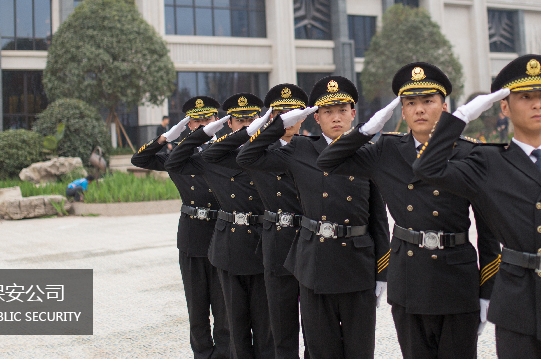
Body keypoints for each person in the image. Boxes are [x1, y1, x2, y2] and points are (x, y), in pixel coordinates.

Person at [412, 54, 541, 359]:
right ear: (504, 106)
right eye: (525, 97)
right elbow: (427, 168)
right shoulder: (488, 162)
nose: (536, 104)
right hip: (518, 311)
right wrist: (463, 115)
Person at [316, 62, 501, 358]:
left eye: (428, 101)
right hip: (409, 280)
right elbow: (327, 162)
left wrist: (487, 290)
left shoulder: (469, 153)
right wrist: (366, 131)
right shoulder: (386, 150)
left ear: (444, 106)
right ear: (402, 111)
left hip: (456, 281)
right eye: (411, 103)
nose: (419, 110)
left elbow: (489, 230)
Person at [237, 76, 390, 358]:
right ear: (315, 117)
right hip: (315, 263)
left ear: (353, 113)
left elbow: (378, 220)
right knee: (321, 348)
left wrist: (382, 272)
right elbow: (247, 158)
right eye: (327, 112)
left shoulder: (368, 153)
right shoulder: (301, 149)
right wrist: (280, 124)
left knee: (360, 349)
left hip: (357, 263)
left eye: (342, 110)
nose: (336, 118)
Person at [201, 87, 309, 359]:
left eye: (292, 114)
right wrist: (255, 130)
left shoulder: (314, 149)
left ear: (305, 116)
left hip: (309, 244)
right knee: (272, 332)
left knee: (313, 330)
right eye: (279, 114)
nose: (286, 120)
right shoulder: (259, 151)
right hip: (269, 247)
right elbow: (212, 155)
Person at [166, 96, 275, 359]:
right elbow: (170, 161)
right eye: (240, 120)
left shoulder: (271, 154)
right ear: (229, 123)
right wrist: (178, 135)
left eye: (251, 120)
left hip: (257, 242)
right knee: (208, 313)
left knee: (253, 322)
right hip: (214, 242)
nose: (246, 125)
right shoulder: (216, 155)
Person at [131, 100, 230, 359]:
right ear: (188, 125)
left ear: (216, 122)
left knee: (224, 308)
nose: (202, 126)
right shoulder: (178, 156)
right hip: (192, 235)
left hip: (223, 233)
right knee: (197, 308)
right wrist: (166, 137)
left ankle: (225, 354)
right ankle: (202, 354)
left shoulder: (228, 150)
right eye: (196, 121)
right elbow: (140, 158)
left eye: (207, 120)